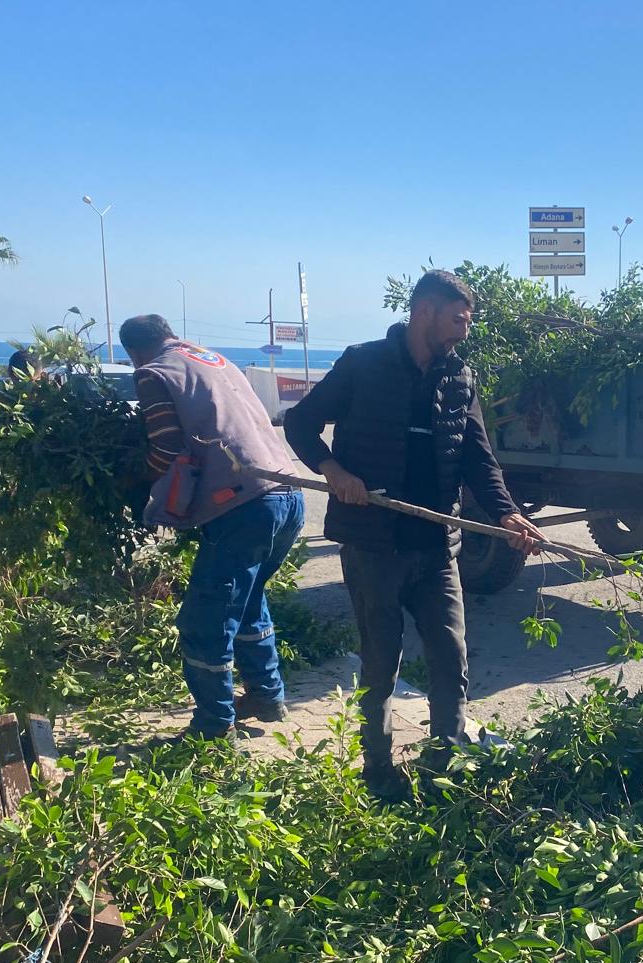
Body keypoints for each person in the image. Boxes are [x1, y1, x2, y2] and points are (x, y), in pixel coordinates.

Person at [284, 269, 543, 800]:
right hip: (373, 542)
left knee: (451, 656)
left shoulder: (459, 377)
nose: (463, 331)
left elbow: (479, 459)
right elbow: (300, 423)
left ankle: (443, 763)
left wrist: (507, 515)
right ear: (424, 311)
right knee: (380, 663)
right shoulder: (363, 364)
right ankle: (377, 769)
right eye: (457, 319)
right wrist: (333, 471)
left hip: (436, 545)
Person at [122, 313, 307, 741]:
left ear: (134, 353)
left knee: (204, 620)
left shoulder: (153, 373)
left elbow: (165, 446)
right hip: (287, 495)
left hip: (243, 506)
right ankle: (265, 695)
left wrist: (131, 479)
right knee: (247, 599)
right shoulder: (213, 359)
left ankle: (214, 725)